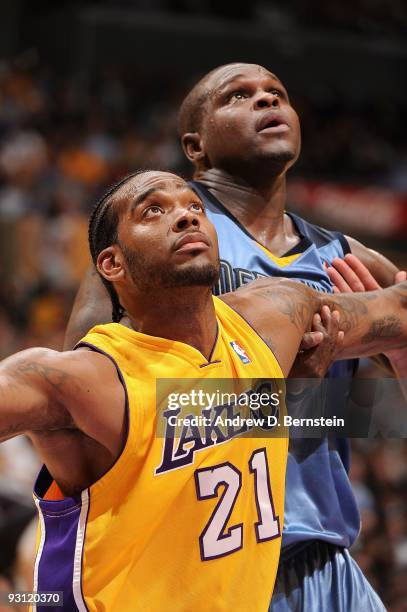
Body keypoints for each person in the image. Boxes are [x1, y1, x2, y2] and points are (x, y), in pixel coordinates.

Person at [63, 64, 406, 610]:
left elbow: (339, 404)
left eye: (277, 94)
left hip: (322, 552)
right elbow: (92, 407)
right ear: (195, 145)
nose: (266, 102)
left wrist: (382, 358)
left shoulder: (344, 257)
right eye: (239, 96)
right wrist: (288, 388)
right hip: (201, 556)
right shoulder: (160, 242)